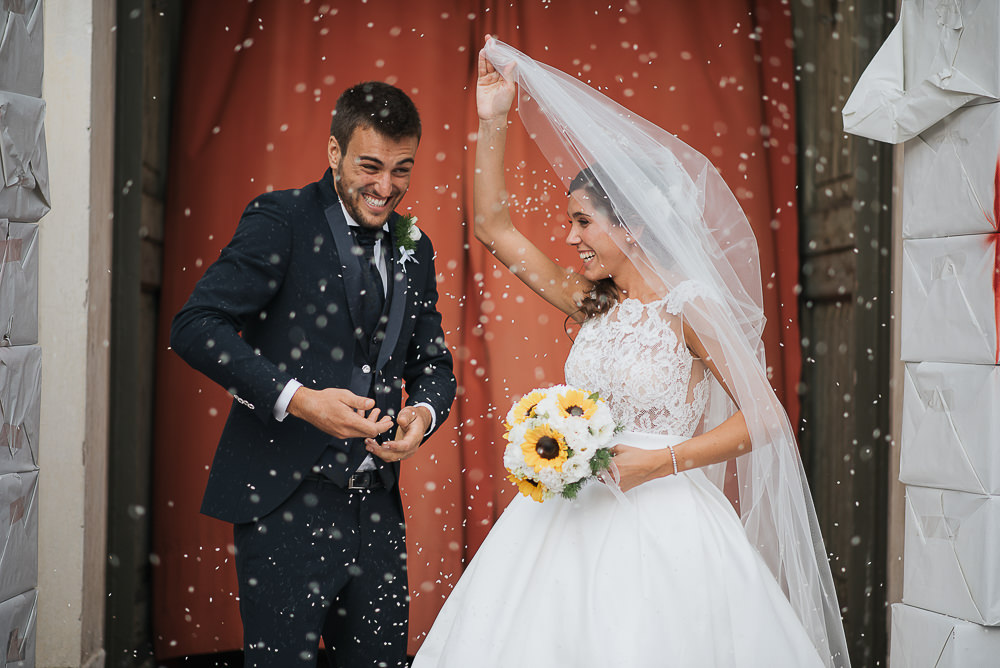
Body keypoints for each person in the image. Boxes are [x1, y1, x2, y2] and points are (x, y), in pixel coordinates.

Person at [412, 38, 850, 667]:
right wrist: (493, 118)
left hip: (668, 520)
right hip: (569, 517)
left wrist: (661, 462)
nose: (570, 238)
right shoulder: (593, 301)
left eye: (583, 223)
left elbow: (765, 418)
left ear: (633, 225)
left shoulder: (689, 307)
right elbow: (494, 227)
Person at [170, 81, 456, 668]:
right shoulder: (282, 219)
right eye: (370, 166)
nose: (386, 188)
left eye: (402, 170)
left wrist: (420, 416)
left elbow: (433, 364)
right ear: (333, 152)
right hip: (284, 504)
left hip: (376, 509)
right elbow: (196, 326)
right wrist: (299, 399)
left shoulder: (415, 247)